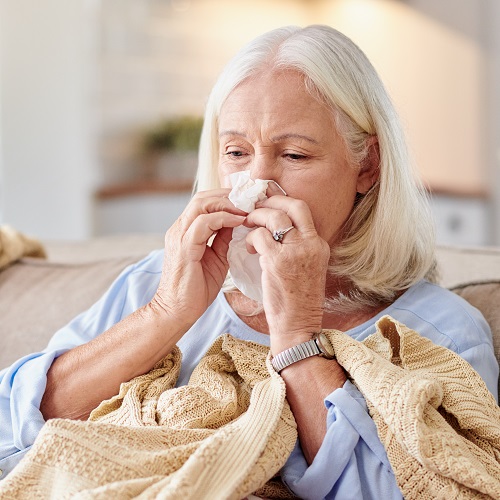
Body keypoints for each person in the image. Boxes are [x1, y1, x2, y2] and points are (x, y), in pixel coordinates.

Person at [0, 24, 498, 498]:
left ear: (367, 165)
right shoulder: (160, 279)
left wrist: (297, 332)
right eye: (236, 152)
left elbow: (398, 490)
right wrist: (166, 313)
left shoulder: (440, 332)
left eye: (295, 156)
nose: (256, 184)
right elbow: (14, 424)